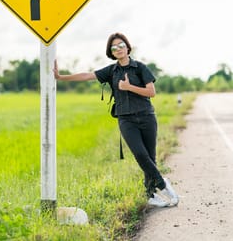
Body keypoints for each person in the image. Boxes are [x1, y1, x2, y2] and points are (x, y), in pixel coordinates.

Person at [53, 32, 179, 207]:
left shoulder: (141, 68)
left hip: (147, 116)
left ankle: (150, 195)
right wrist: (61, 77)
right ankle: (163, 186)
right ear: (111, 52)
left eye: (121, 45)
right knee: (140, 154)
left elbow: (151, 92)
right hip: (126, 120)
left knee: (150, 157)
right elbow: (87, 76)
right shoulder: (111, 71)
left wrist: (128, 87)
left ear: (127, 47)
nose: (118, 49)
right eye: (114, 47)